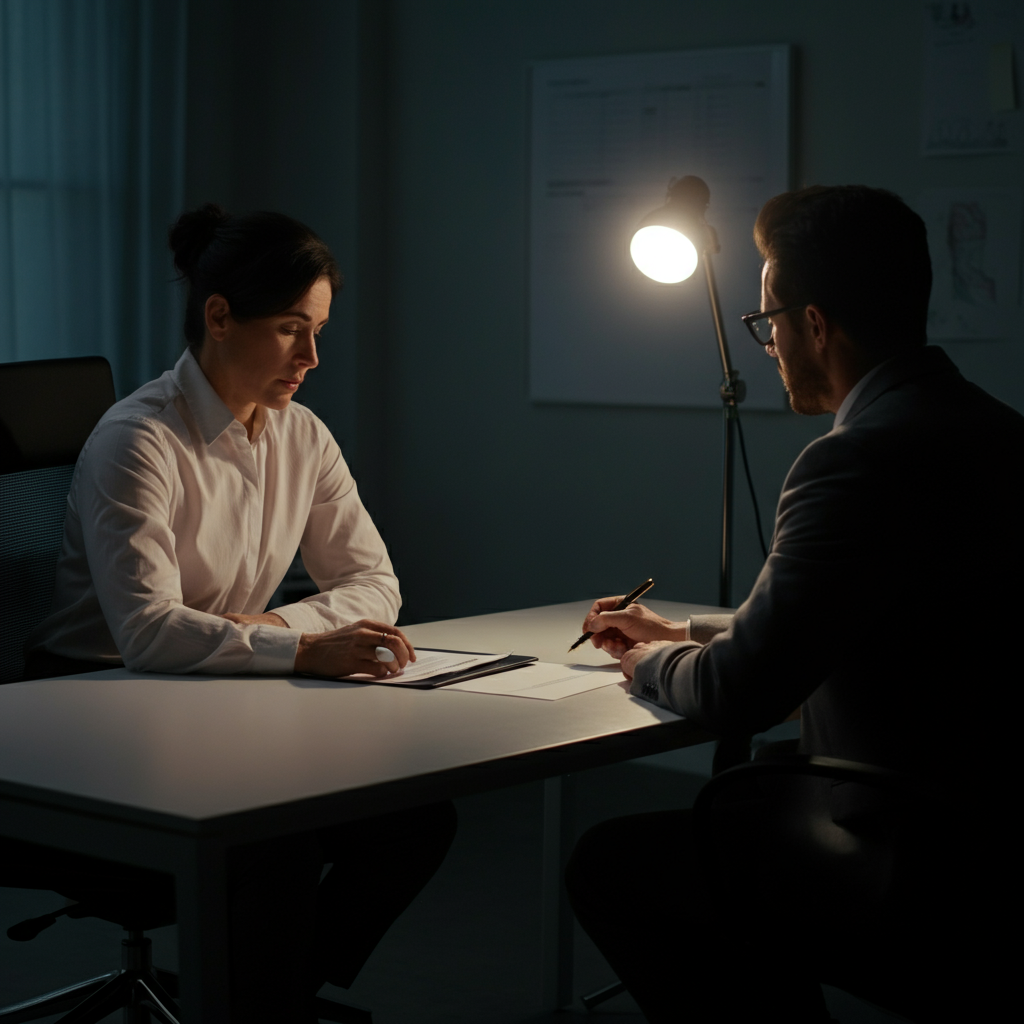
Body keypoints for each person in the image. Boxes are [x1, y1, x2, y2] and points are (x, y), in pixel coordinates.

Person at [564, 186, 1022, 1022]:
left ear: (814, 325)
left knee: (610, 864)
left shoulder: (853, 461)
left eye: (766, 319)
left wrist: (645, 662)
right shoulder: (996, 431)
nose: (767, 342)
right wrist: (686, 630)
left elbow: (744, 692)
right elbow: (882, 618)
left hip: (910, 858)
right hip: (992, 841)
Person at [26, 204, 457, 1021]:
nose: (313, 357)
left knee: (416, 822)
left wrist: (275, 631)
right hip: (87, 705)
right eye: (294, 329)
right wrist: (299, 648)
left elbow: (373, 582)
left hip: (215, 691)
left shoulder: (303, 438)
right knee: (274, 846)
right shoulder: (138, 440)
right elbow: (149, 633)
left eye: (320, 330)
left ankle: (265, 999)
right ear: (219, 315)